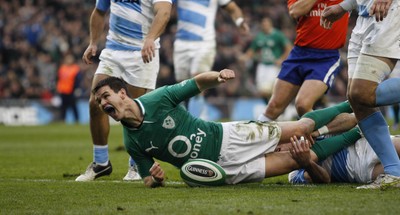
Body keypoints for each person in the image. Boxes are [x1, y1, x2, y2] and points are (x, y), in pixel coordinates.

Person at [91, 68, 360, 188]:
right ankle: (358, 130)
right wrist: (156, 180)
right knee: (302, 158)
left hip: (231, 136)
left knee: (302, 129)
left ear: (122, 93)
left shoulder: (157, 99)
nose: (102, 103)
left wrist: (217, 77)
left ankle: (355, 103)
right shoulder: (132, 142)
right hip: (223, 173)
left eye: (105, 96)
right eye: (99, 100)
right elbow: (147, 178)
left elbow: (196, 82)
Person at [76, 0, 173, 182]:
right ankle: (101, 162)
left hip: (141, 52)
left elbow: (164, 13)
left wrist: (151, 38)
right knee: (95, 103)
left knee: (133, 112)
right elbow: (99, 12)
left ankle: (136, 164)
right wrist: (93, 43)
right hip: (113, 51)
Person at [320, 0, 400, 189]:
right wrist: (344, 7)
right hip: (364, 19)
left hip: (387, 11)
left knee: (362, 93)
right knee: (357, 101)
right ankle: (394, 172)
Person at [258, 0, 349, 122]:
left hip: (326, 57)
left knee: (302, 105)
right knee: (273, 107)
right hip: (299, 54)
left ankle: (321, 135)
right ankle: (255, 138)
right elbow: (295, 11)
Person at [173, 0, 249, 117]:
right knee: (182, 86)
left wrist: (240, 22)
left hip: (204, 42)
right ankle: (183, 120)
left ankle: (198, 120)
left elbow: (232, 7)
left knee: (197, 80)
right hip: (181, 42)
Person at [289, 134, 400, 188]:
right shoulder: (294, 174)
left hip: (364, 144)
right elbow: (325, 179)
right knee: (396, 175)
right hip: (356, 168)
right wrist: (307, 163)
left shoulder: (305, 131)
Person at [240, 17, 292, 104]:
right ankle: (271, 108)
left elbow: (289, 48)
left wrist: (281, 59)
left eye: (266, 24)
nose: (264, 25)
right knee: (261, 91)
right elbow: (252, 51)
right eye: (263, 24)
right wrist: (244, 57)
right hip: (262, 65)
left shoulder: (278, 35)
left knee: (270, 89)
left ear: (271, 24)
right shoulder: (259, 36)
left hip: (273, 66)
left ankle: (276, 107)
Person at [56, 53, 82, 123]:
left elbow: (78, 80)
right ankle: (62, 120)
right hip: (63, 90)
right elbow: (58, 79)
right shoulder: (62, 68)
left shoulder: (75, 68)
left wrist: (77, 88)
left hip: (71, 91)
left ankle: (77, 120)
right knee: (63, 107)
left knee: (74, 107)